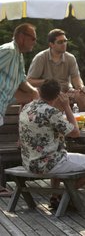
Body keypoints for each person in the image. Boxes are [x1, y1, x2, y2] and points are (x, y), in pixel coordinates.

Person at [19, 79, 85, 209]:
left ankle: (54, 196)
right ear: (58, 96)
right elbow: (75, 132)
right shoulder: (51, 113)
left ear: (40, 91)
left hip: (29, 162)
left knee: (57, 152)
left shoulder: (27, 107)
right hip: (47, 163)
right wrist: (67, 106)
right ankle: (66, 193)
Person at [0, 23, 40, 196]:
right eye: (33, 38)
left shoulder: (19, 55)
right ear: (22, 37)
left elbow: (21, 78)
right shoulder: (9, 50)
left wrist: (33, 91)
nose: (35, 42)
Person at [27, 29, 85, 111]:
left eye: (65, 41)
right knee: (56, 99)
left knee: (84, 97)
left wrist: (80, 87)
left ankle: (82, 122)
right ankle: (59, 122)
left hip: (66, 90)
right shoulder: (41, 58)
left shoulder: (70, 58)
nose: (64, 44)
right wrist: (46, 82)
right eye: (60, 42)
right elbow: (29, 81)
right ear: (51, 44)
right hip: (47, 91)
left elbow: (76, 78)